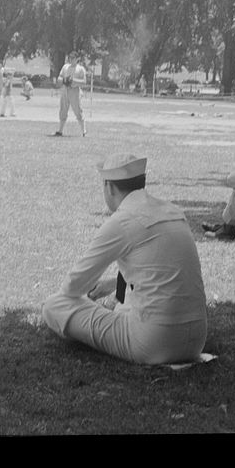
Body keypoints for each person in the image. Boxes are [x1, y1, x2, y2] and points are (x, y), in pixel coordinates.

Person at [42, 153, 208, 365]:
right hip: (196, 340)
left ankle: (116, 319)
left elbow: (72, 288)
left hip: (154, 343)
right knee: (126, 291)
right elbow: (155, 272)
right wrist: (113, 284)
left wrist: (89, 298)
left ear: (109, 187)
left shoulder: (122, 221)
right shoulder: (173, 212)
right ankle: (121, 311)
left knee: (54, 305)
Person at [52, 52, 87, 137]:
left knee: (78, 111)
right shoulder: (65, 67)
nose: (71, 60)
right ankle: (60, 131)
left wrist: (73, 80)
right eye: (70, 58)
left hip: (75, 92)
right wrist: (63, 80)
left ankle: (84, 131)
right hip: (65, 91)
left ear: (77, 59)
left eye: (73, 58)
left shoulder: (80, 69)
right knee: (63, 111)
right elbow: (60, 77)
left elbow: (84, 82)